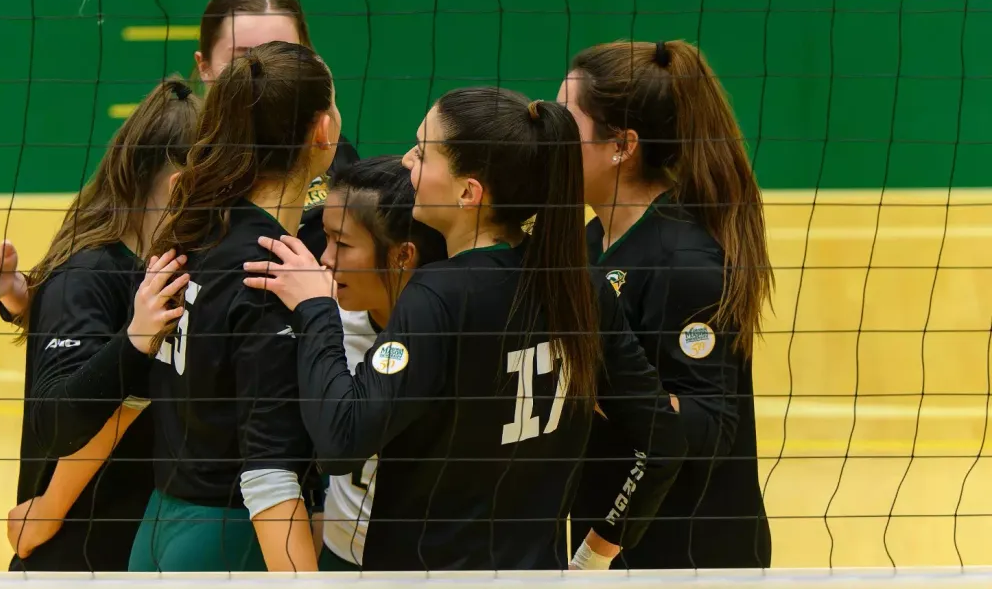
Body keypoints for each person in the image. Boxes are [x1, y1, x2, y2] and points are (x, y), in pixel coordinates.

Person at [243, 87, 687, 571]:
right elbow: (663, 439)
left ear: (468, 193)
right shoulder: (581, 287)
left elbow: (340, 438)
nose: (408, 162)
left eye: (423, 152)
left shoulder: (439, 296)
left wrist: (315, 310)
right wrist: (591, 561)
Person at [0, 79, 202, 571]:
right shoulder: (88, 273)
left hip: (138, 543)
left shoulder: (166, 266)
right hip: (75, 558)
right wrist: (136, 342)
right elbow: (57, 423)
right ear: (181, 185)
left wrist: (22, 299)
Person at [126, 40, 339, 573]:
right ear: (322, 130)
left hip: (159, 529)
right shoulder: (270, 273)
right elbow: (267, 470)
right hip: (228, 541)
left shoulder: (199, 235)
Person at [561, 40, 774, 569]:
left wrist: (604, 389)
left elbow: (710, 426)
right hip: (614, 537)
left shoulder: (684, 262)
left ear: (620, 146)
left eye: (567, 125)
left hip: (690, 551)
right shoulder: (590, 241)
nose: (549, 141)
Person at [310, 156, 448, 571]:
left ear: (402, 256)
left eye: (342, 243)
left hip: (426, 565)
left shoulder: (455, 333)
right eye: (326, 239)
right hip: (339, 558)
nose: (324, 259)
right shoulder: (326, 322)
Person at [195, 0, 360, 258]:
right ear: (205, 67)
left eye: (285, 53)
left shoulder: (330, 150)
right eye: (244, 58)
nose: (265, 72)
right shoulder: (178, 160)